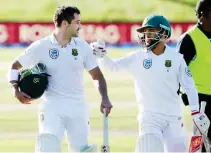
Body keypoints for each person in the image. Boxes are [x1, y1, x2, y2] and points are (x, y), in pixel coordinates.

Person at [90, 15, 209, 152]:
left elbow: (189, 86)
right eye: (145, 33)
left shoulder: (176, 58)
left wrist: (195, 112)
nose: (147, 36)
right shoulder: (138, 57)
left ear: (164, 34)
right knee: (149, 147)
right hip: (149, 118)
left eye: (151, 32)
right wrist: (102, 56)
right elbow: (113, 67)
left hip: (174, 117)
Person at [7, 6, 113, 152]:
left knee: (82, 150)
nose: (80, 26)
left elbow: (97, 76)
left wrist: (105, 98)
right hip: (52, 107)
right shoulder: (42, 46)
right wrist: (15, 90)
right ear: (65, 23)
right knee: (47, 149)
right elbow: (14, 66)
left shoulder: (82, 47)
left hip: (78, 108)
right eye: (77, 22)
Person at [176, 0, 211, 151]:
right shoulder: (189, 39)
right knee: (199, 144)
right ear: (203, 15)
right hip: (201, 101)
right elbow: (176, 72)